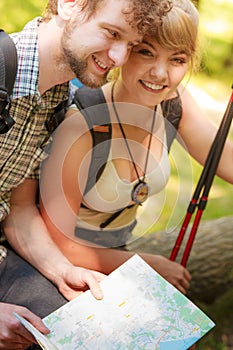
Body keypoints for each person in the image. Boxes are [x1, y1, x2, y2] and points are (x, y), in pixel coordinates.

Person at [0, 0, 173, 348]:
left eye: (131, 45)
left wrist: (62, 269)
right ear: (69, 5)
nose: (120, 58)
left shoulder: (58, 99)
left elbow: (18, 209)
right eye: (112, 33)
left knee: (112, 332)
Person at [39, 0, 233, 310]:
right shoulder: (83, 125)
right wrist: (142, 264)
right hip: (56, 269)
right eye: (146, 52)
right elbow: (55, 244)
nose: (161, 73)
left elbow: (226, 160)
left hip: (119, 254)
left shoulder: (173, 103)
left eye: (177, 59)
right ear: (125, 50)